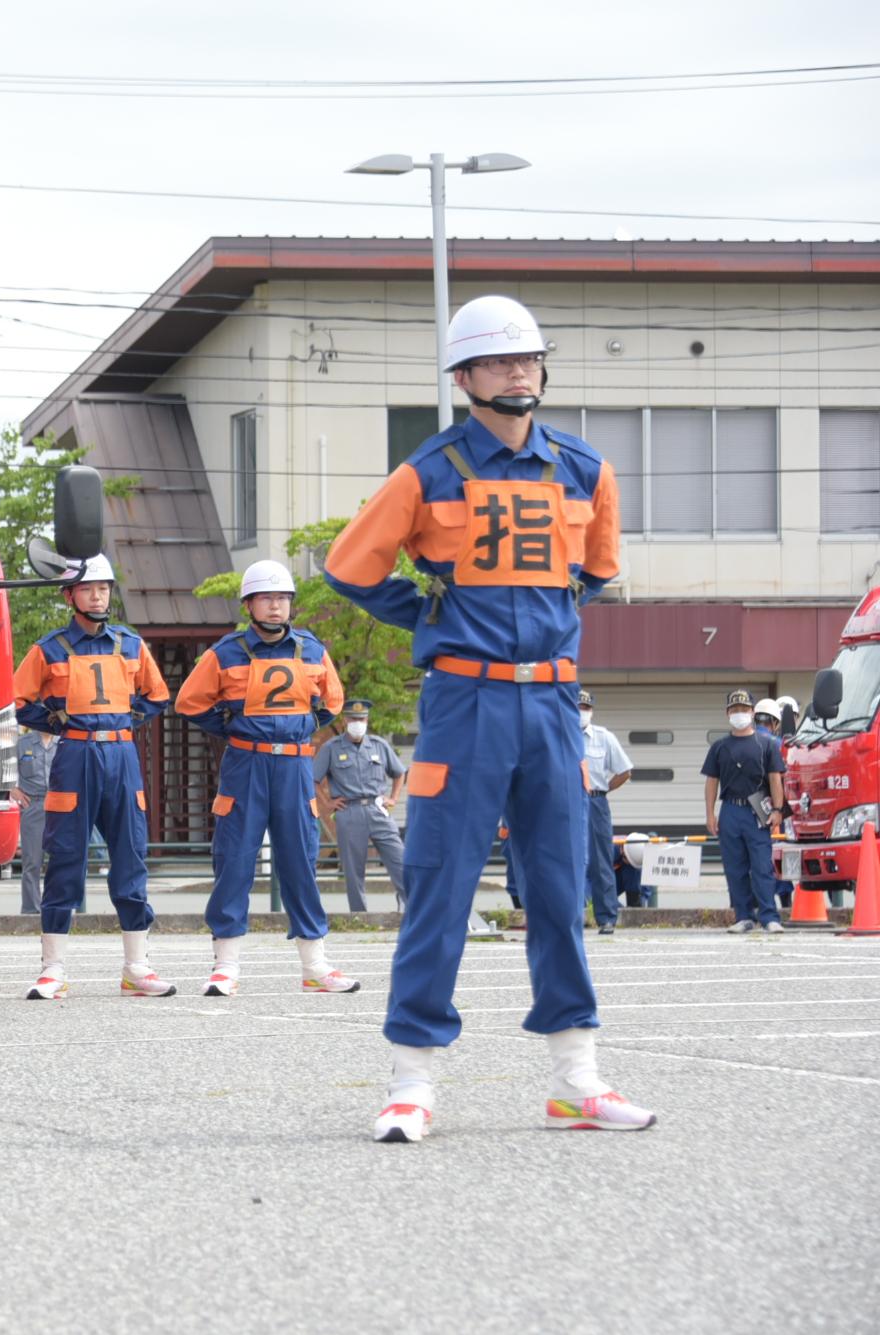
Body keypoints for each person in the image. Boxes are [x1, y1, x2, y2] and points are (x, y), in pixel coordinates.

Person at [324, 293, 656, 1141]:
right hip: (463, 702)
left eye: (530, 358)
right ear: (464, 376)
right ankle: (411, 1082)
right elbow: (350, 566)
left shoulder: (585, 469)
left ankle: (577, 1078)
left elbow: (596, 571)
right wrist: (432, 616)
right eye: (502, 361)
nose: (521, 371)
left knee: (559, 882)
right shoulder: (427, 472)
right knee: (439, 880)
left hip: (551, 702)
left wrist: (531, 621)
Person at [177, 559, 358, 996]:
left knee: (301, 861)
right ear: (249, 603)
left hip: (295, 765)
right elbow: (190, 702)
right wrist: (235, 727)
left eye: (282, 598)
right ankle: (226, 966)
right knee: (235, 859)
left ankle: (315, 965)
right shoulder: (225, 651)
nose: (275, 606)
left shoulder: (313, 650)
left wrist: (299, 727)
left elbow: (332, 701)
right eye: (266, 598)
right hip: (246, 765)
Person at [12, 554, 175, 999]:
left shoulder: (130, 643)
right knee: (65, 855)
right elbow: (17, 700)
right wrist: (60, 723)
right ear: (70, 596)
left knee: (130, 855)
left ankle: (137, 967)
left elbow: (157, 696)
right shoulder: (47, 649)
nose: (98, 595)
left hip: (121, 754)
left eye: (103, 588)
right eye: (88, 589)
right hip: (75, 755)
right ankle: (53, 968)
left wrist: (122, 720)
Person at [312, 698, 407, 914]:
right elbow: (313, 779)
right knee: (353, 870)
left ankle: (409, 908)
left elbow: (400, 772)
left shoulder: (379, 745)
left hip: (377, 809)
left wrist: (393, 798)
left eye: (362, 718)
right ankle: (359, 915)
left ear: (367, 720)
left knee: (399, 860)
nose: (358, 722)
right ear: (345, 720)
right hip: (349, 811)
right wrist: (327, 802)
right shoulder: (331, 748)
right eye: (353, 718)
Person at [703, 688, 785, 935]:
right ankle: (743, 916)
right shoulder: (719, 747)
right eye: (734, 709)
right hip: (730, 810)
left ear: (752, 712)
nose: (739, 713)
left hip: (757, 811)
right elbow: (711, 782)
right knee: (735, 867)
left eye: (744, 709)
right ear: (728, 713)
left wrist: (778, 810)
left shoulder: (766, 745)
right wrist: (710, 814)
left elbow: (775, 779)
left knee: (762, 865)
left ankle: (769, 916)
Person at [579, 690, 634, 935]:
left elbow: (624, 771)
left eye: (586, 707)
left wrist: (602, 790)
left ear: (591, 710)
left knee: (601, 860)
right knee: (567, 860)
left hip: (594, 802)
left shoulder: (603, 737)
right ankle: (572, 915)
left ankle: (607, 917)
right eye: (578, 706)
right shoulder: (558, 733)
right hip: (566, 801)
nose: (582, 711)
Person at [754, 698, 795, 912]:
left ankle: (750, 905)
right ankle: (786, 903)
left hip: (746, 807)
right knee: (776, 854)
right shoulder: (777, 744)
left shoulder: (744, 740)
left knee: (752, 858)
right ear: (775, 722)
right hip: (773, 807)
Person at [11, 726, 57, 916]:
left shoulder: (63, 743)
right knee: (32, 862)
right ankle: (31, 911)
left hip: (59, 807)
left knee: (59, 861)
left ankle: (56, 908)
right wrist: (12, 789)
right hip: (33, 805)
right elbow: (7, 769)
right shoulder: (22, 743)